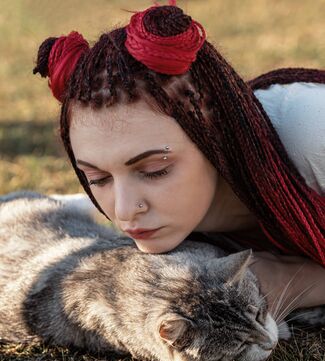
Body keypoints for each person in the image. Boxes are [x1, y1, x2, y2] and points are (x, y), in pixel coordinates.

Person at [33, 1, 324, 316]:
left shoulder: (310, 132)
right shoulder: (169, 209)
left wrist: (299, 281)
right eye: (98, 178)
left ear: (215, 132)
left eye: (155, 171)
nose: (124, 210)